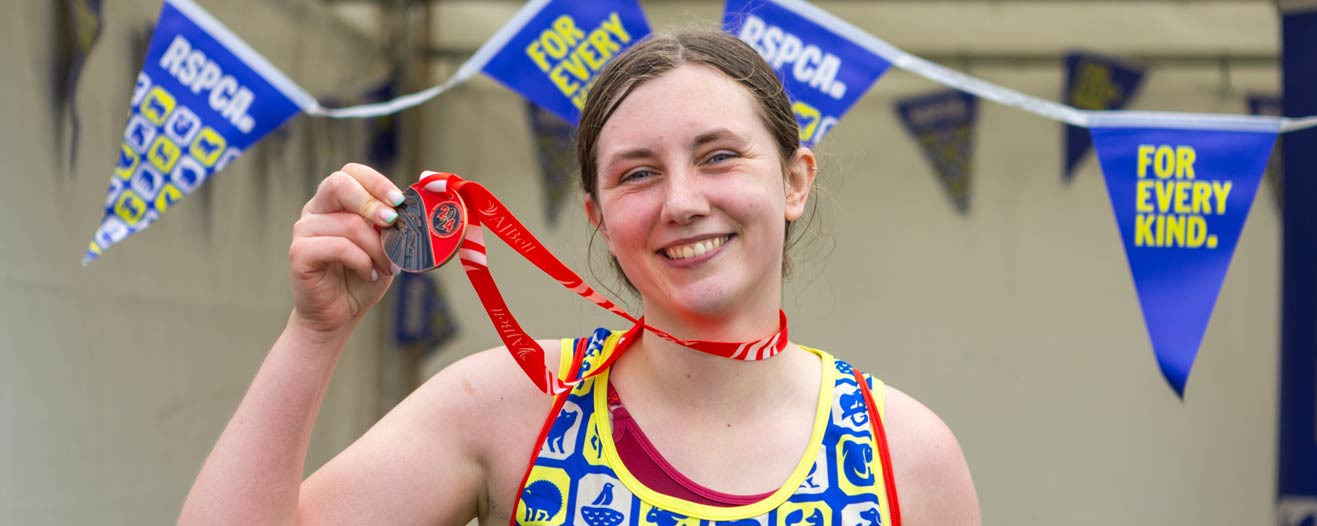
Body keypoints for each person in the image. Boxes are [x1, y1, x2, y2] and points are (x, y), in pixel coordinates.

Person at [179, 29, 980, 526]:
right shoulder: (511, 404)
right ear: (597, 217)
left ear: (795, 181)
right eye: (636, 174)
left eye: (718, 156)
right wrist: (314, 333)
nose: (682, 201)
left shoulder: (903, 455)